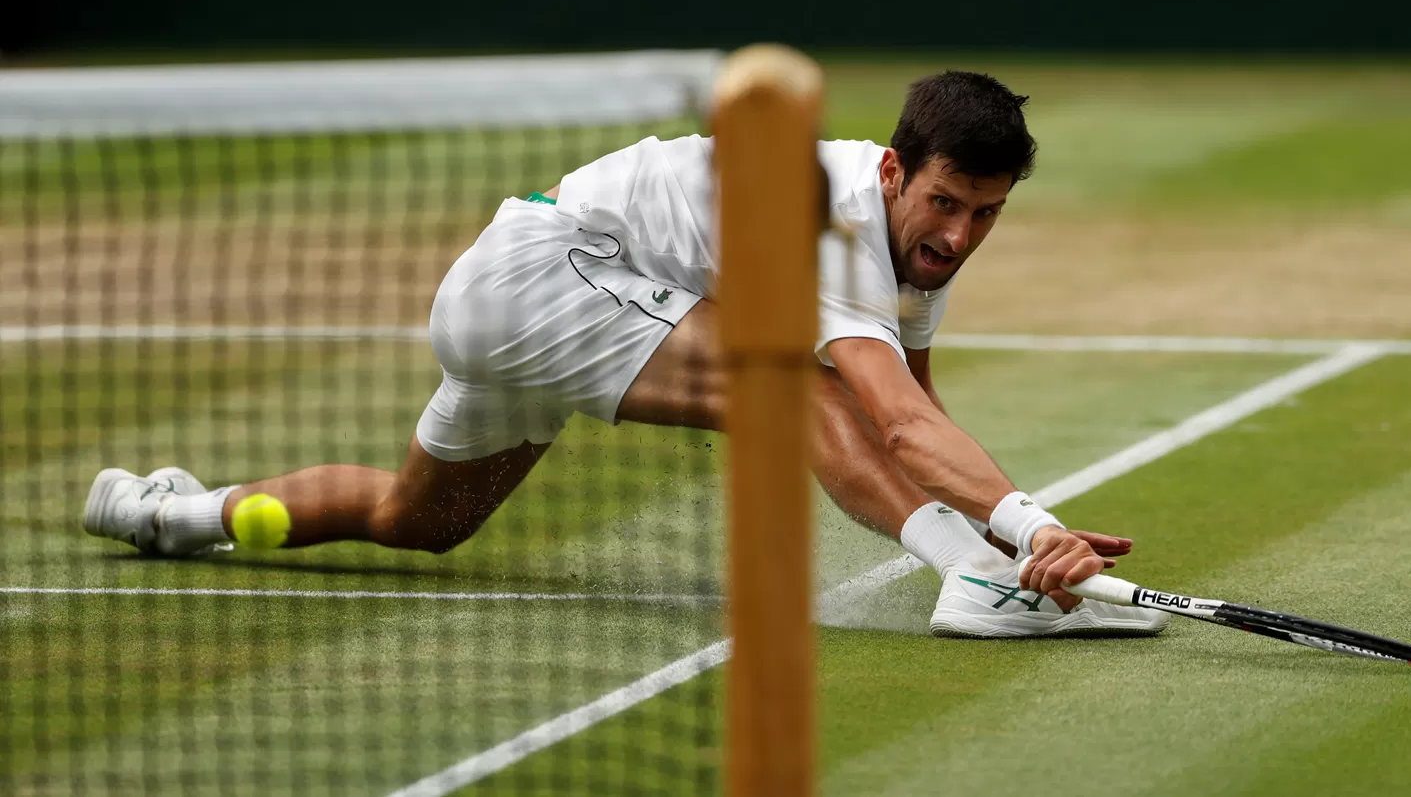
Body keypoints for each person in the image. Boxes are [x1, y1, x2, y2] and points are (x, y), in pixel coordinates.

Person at [84, 71, 1167, 639]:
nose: (961, 235)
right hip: (542, 274)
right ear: (891, 171)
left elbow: (920, 413)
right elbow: (886, 421)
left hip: (545, 305)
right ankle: (973, 590)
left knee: (418, 522)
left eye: (986, 213)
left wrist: (1009, 533)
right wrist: (1024, 536)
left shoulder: (912, 248)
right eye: (946, 202)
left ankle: (168, 512)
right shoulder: (831, 213)